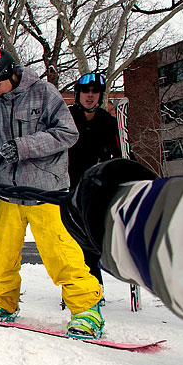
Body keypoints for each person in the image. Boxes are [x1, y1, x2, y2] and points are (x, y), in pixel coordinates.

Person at [0, 47, 104, 339]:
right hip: (9, 192)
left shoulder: (44, 93)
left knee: (61, 253)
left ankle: (86, 311)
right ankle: (2, 304)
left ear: (10, 73)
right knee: (3, 255)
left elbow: (68, 133)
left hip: (46, 190)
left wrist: (24, 147)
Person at [60, 158, 183, 321]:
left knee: (78, 257)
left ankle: (88, 302)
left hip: (99, 199)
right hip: (95, 196)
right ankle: (91, 295)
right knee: (84, 257)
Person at [67, 72, 121, 296]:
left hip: (94, 188)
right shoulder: (66, 117)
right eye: (86, 92)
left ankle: (93, 285)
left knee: (91, 238)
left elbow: (119, 154)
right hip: (67, 186)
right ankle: (73, 288)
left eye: (95, 92)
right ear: (78, 94)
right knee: (71, 240)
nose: (90, 96)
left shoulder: (107, 121)